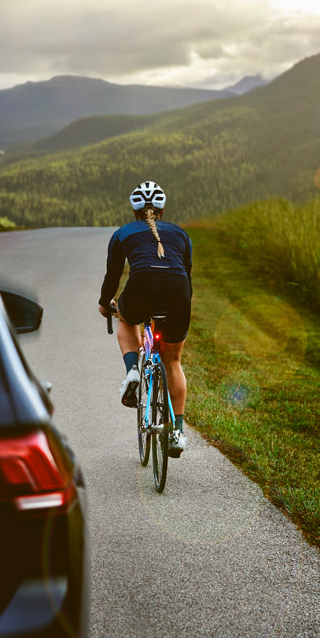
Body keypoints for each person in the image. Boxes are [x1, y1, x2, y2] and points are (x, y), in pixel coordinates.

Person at [98, 181, 192, 457]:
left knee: (127, 319)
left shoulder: (122, 233)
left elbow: (113, 275)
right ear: (162, 210)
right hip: (178, 293)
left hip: (141, 287)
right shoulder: (181, 233)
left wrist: (106, 303)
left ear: (134, 211)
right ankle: (176, 432)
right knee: (173, 361)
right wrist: (183, 303)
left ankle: (132, 371)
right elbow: (186, 273)